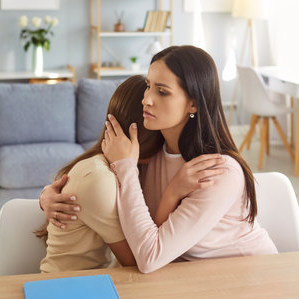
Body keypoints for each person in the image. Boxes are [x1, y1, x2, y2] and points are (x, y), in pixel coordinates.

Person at [41, 46, 278, 274]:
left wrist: (127, 169)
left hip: (247, 275)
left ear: (193, 103)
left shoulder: (217, 173)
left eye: (162, 91)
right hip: (186, 280)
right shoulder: (147, 156)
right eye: (148, 86)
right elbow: (148, 233)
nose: (147, 100)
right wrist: (48, 197)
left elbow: (149, 257)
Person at [38, 75, 224, 273]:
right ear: (145, 136)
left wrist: (43, 198)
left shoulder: (120, 172)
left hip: (106, 281)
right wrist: (172, 193)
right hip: (71, 288)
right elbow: (141, 259)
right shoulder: (100, 179)